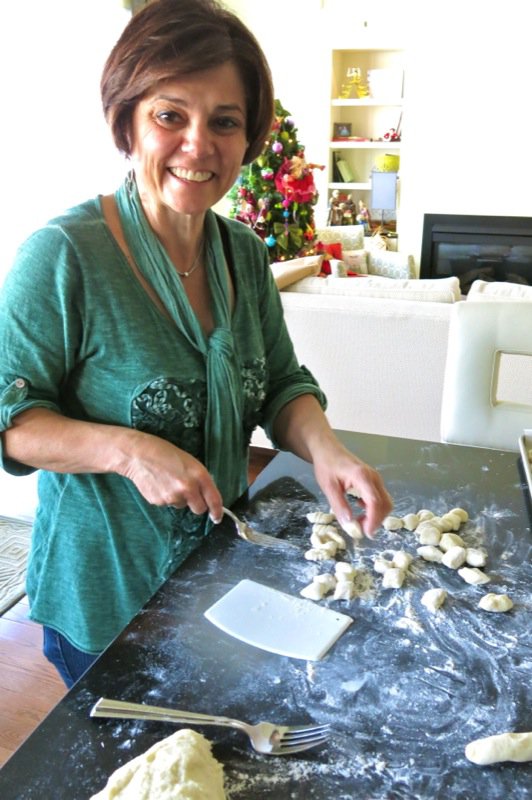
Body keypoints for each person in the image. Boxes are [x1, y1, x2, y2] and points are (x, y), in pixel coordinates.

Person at [0, 0, 392, 688]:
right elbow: (12, 421)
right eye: (170, 115)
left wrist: (329, 452)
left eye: (225, 121)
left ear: (248, 139)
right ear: (128, 121)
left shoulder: (242, 253)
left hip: (216, 583)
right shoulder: (62, 257)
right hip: (103, 606)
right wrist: (128, 451)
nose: (198, 145)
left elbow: (278, 383)